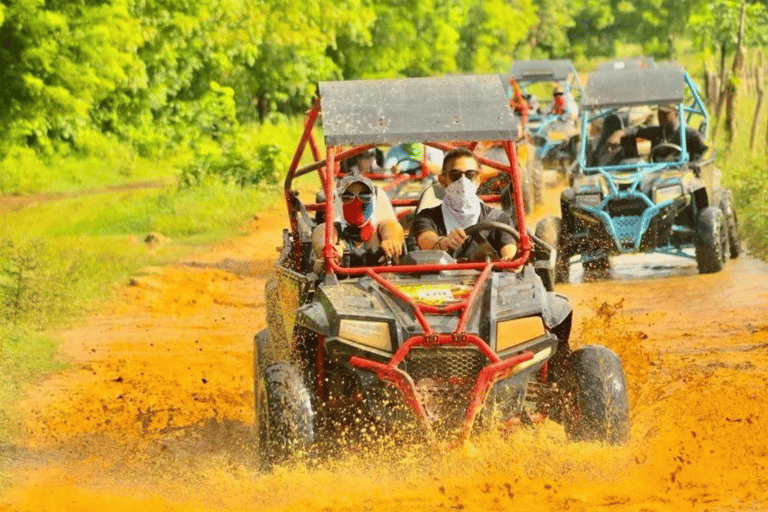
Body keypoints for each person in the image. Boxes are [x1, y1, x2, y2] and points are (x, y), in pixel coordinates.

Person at [410, 147, 517, 260]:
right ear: (443, 180)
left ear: (478, 180)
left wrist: (509, 259)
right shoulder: (427, 217)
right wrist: (444, 242)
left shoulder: (498, 219)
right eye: (455, 175)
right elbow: (427, 241)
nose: (463, 182)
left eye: (470, 175)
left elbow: (510, 250)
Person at [312, 174, 404, 268]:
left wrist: (391, 240)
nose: (357, 201)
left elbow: (391, 226)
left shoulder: (380, 228)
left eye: (364, 195)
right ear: (339, 201)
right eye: (348, 196)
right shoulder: (333, 229)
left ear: (372, 199)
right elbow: (323, 231)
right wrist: (328, 249)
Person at [606, 104, 709, 162]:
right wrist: (619, 133)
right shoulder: (658, 132)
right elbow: (637, 130)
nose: (660, 117)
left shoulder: (690, 134)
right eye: (659, 113)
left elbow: (708, 150)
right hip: (656, 177)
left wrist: (696, 164)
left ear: (676, 113)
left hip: (680, 178)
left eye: (665, 114)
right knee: (628, 163)